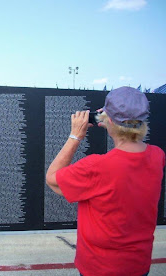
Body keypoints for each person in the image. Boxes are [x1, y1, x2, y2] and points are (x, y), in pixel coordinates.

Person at [46, 86, 165, 276]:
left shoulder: (98, 167)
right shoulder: (157, 157)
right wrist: (113, 123)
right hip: (139, 264)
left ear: (108, 120)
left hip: (100, 268)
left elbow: (52, 179)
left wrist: (75, 135)